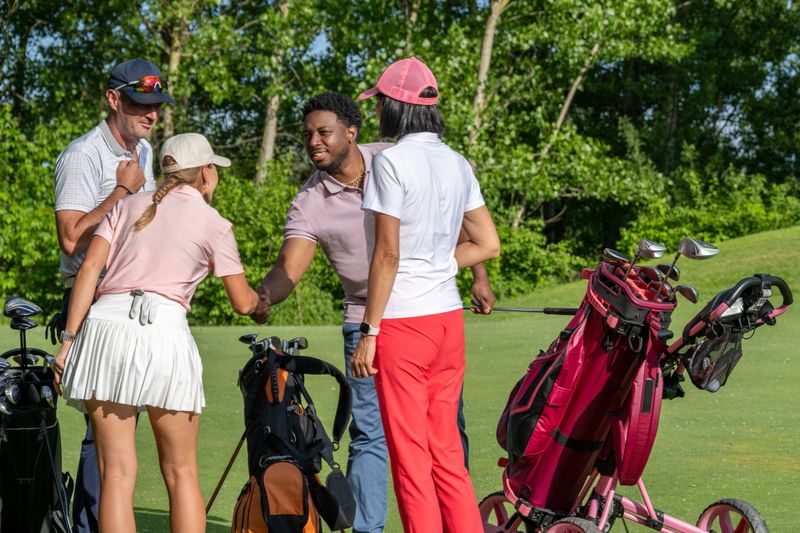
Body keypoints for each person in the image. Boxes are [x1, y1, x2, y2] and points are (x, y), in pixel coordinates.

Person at [250, 91, 495, 533]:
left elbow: (454, 214)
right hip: (366, 320)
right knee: (372, 436)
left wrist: (479, 275)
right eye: (307, 135)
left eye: (323, 132)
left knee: (443, 439)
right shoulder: (310, 201)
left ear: (351, 131)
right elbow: (289, 269)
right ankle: (368, 529)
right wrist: (263, 297)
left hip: (420, 312)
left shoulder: (394, 156)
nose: (313, 143)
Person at [53, 133, 259, 533]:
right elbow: (243, 303)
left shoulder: (126, 205)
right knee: (181, 473)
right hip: (164, 332)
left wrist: (68, 341)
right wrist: (263, 300)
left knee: (115, 475)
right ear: (206, 174)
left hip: (104, 329)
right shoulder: (214, 223)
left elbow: (89, 270)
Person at [352, 57, 501, 532]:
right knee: (447, 454)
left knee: (411, 459)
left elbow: (387, 257)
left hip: (403, 325)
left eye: (380, 105)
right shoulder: (458, 162)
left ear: (395, 108)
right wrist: (438, 262)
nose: (377, 114)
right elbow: (487, 243)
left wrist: (369, 331)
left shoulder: (391, 161)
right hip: (446, 323)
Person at [50, 58, 174, 533]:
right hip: (91, 302)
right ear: (113, 99)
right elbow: (70, 237)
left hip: (127, 303)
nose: (151, 114)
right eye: (141, 103)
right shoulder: (83, 156)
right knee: (101, 430)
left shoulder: (144, 151)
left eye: (157, 105)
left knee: (115, 431)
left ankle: (95, 522)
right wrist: (122, 190)